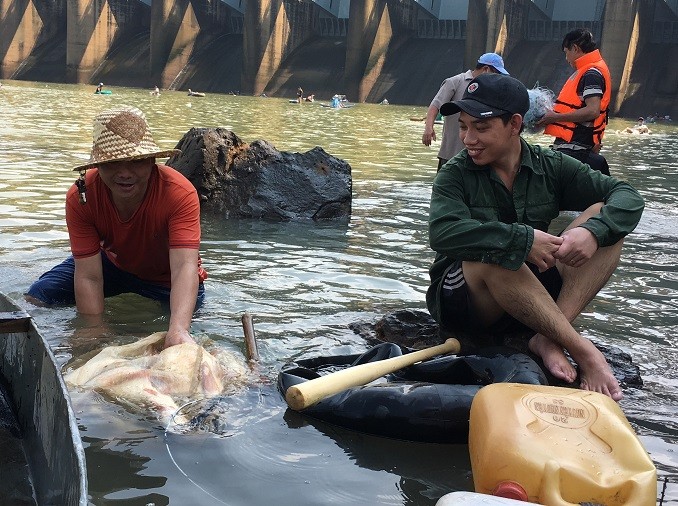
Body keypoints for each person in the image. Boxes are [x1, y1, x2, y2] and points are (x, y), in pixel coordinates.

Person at [427, 73, 644, 401]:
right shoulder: (454, 174)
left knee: (604, 219)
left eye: (481, 128)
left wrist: (592, 232)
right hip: (467, 302)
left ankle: (548, 336)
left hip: (528, 298)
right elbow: (442, 233)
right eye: (463, 126)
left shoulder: (551, 165)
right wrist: (523, 240)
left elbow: (626, 196)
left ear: (514, 125)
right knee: (498, 254)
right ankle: (581, 349)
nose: (468, 138)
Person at [25, 105, 207, 349]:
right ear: (97, 165)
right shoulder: (81, 197)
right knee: (37, 297)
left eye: (136, 161)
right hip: (113, 265)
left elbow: (185, 265)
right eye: (112, 163)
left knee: (175, 328)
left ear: (152, 160)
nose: (125, 173)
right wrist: (93, 330)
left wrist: (178, 329)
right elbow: (89, 275)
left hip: (166, 278)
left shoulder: (179, 193)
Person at [538, 29, 611, 175]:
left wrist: (555, 117)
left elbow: (592, 110)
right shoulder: (589, 70)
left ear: (576, 48)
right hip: (575, 147)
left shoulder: (591, 74)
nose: (566, 58)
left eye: (566, 52)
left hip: (576, 148)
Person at [422, 53, 509, 171]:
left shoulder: (491, 89)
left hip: (479, 156)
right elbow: (435, 105)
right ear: (486, 69)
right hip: (451, 154)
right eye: (496, 73)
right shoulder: (455, 81)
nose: (497, 78)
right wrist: (428, 127)